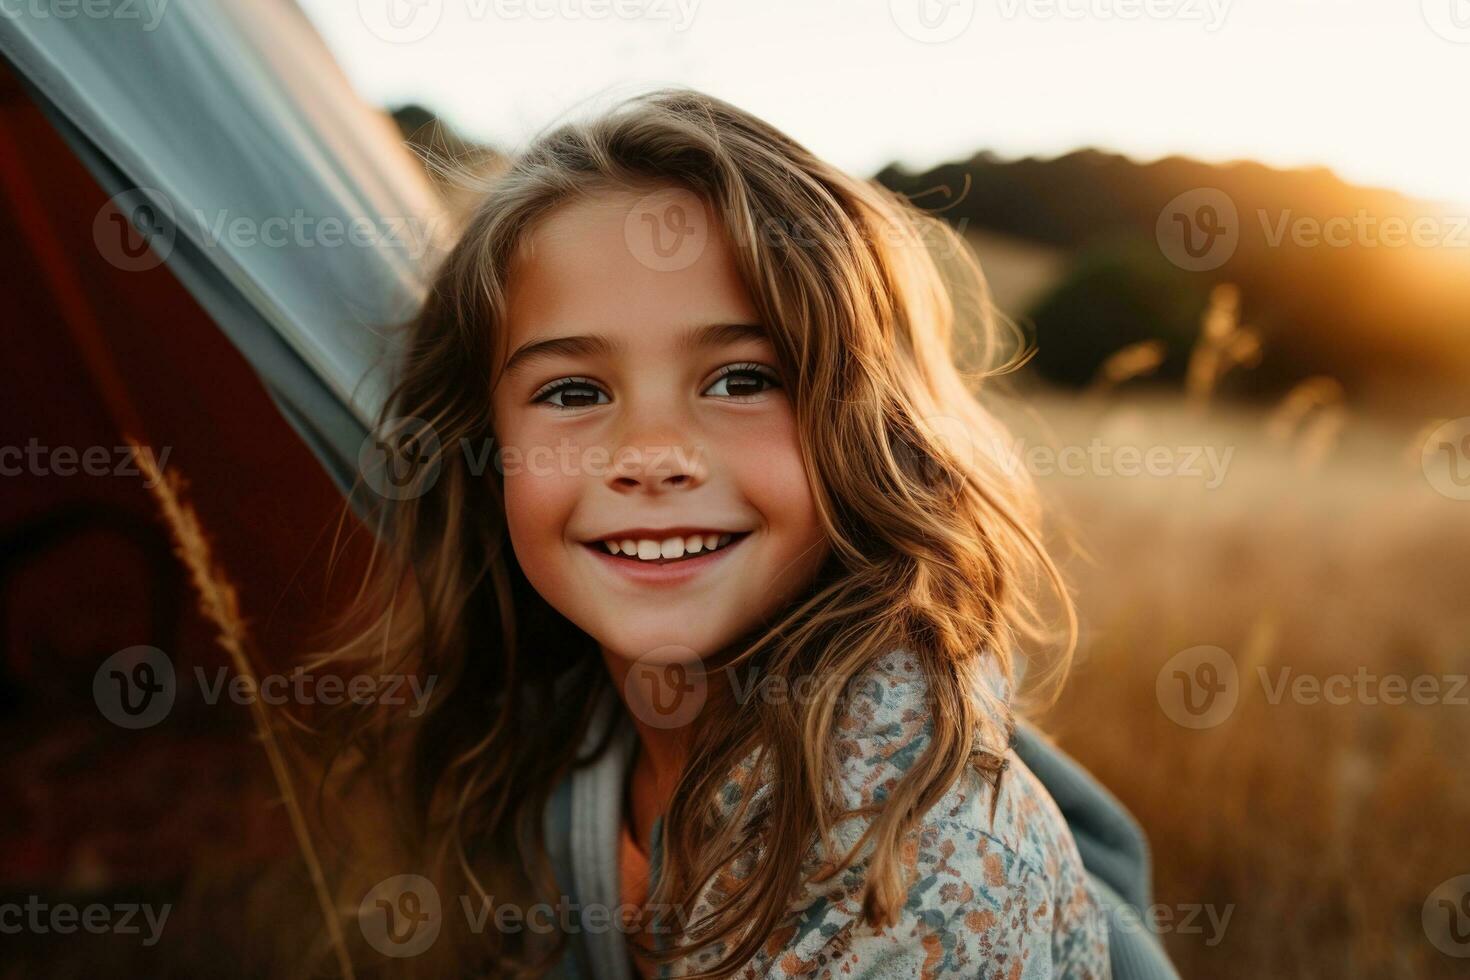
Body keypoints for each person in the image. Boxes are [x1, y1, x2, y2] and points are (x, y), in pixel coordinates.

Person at [321, 88, 1177, 979]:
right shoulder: (558, 730)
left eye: (738, 379)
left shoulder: (916, 861)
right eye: (573, 392)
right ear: (482, 446)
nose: (651, 456)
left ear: (865, 428)